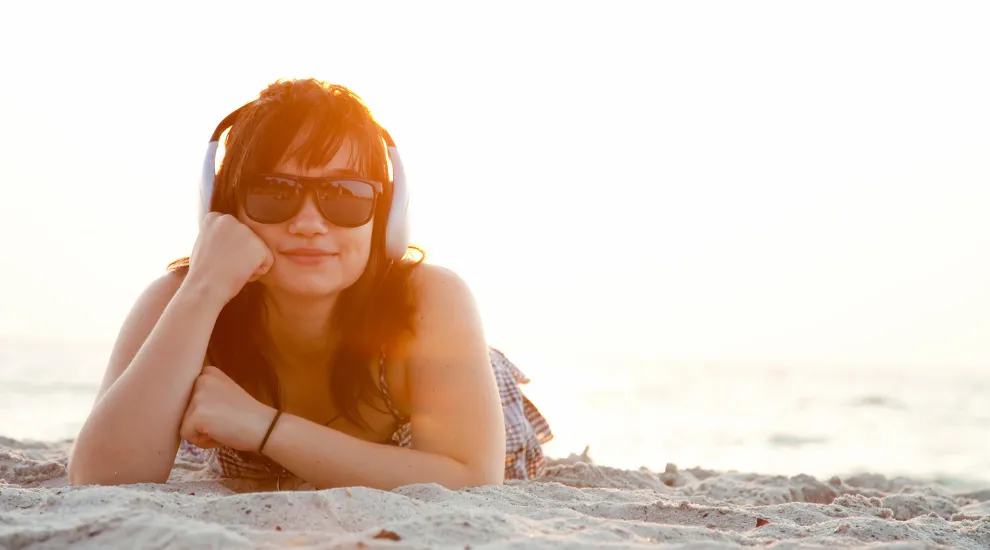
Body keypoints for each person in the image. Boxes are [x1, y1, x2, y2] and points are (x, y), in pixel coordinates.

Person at [67, 78, 552, 491]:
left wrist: (263, 427)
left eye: (344, 194)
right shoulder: (182, 301)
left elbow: (470, 477)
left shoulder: (428, 302)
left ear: (385, 217)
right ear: (223, 209)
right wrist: (203, 291)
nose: (308, 223)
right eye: (274, 192)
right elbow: (101, 480)